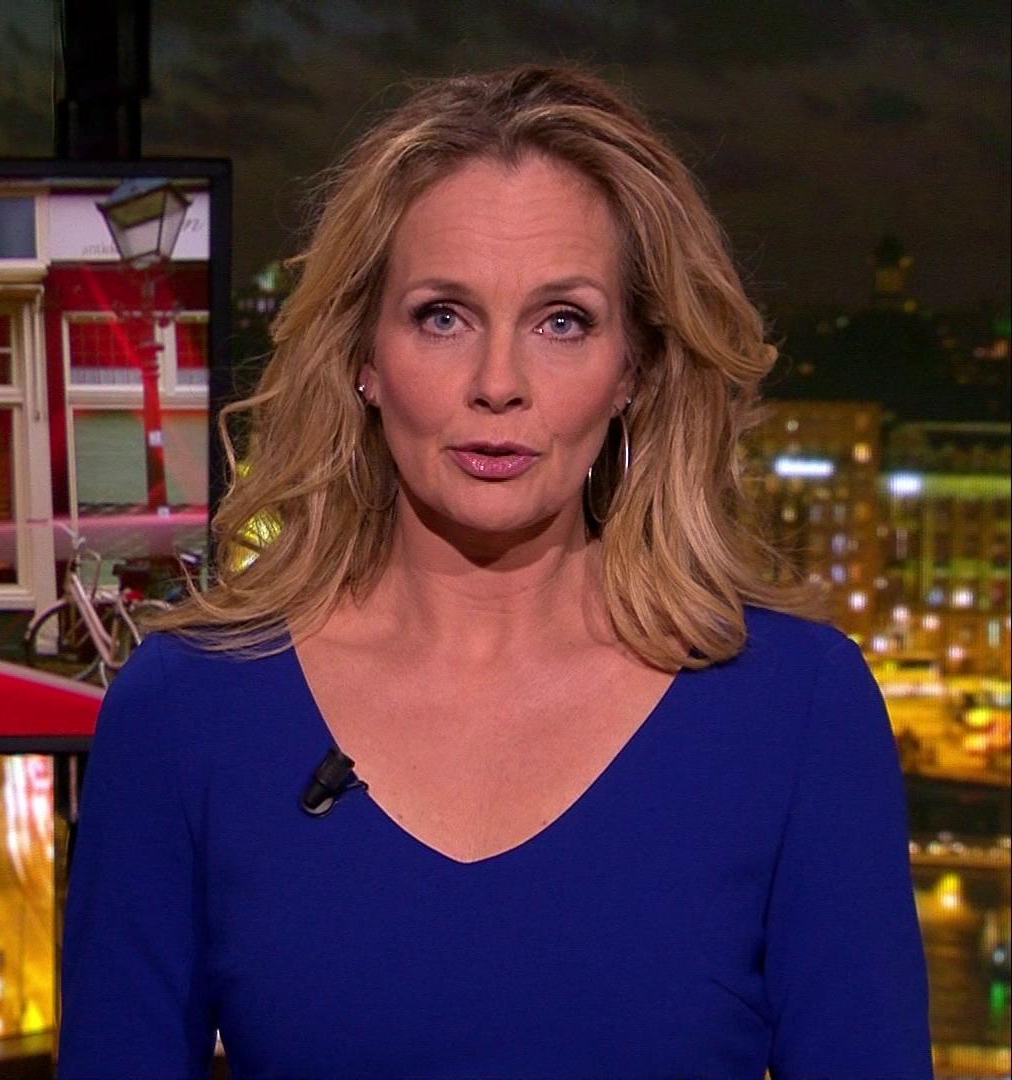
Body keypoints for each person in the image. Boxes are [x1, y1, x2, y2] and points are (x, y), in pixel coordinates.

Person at [56, 64, 933, 1079]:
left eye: (563, 322)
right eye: (443, 316)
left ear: (635, 368)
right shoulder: (187, 713)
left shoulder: (798, 712)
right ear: (362, 356)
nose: (498, 384)